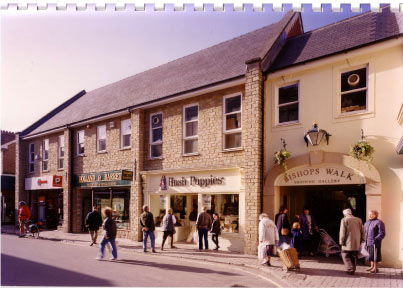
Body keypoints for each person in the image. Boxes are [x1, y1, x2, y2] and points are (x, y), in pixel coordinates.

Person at [339, 208, 364, 275]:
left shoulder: (344, 220)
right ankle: (353, 269)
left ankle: (350, 269)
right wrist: (363, 239)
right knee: (353, 255)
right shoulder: (359, 219)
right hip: (356, 242)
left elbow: (342, 232)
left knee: (345, 255)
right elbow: (362, 231)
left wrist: (341, 242)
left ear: (344, 214)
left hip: (347, 242)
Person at [364, 210, 386, 274]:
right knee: (370, 255)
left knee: (375, 255)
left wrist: (376, 239)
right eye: (369, 214)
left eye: (372, 214)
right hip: (367, 241)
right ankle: (371, 266)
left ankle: (376, 268)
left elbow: (382, 233)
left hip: (375, 242)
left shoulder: (379, 222)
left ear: (376, 215)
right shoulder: (367, 222)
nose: (370, 215)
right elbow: (364, 231)